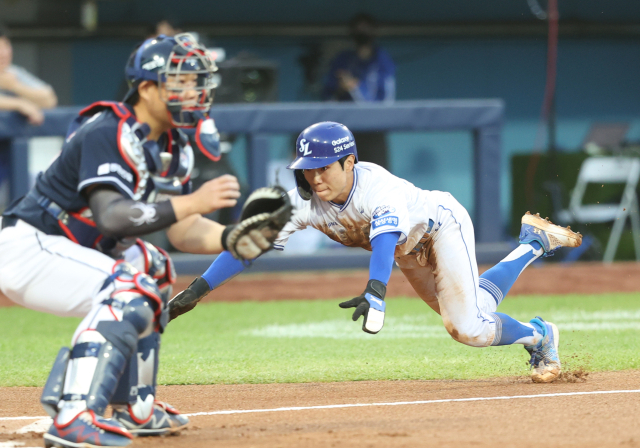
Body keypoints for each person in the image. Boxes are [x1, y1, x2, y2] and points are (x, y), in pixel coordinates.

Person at [0, 33, 287, 448]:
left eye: (195, 83)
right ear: (148, 88)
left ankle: (134, 406)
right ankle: (74, 415)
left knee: (153, 267)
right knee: (129, 290)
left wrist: (231, 236)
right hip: (32, 245)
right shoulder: (109, 129)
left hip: (74, 248)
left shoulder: (175, 144)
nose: (193, 92)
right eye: (181, 82)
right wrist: (194, 200)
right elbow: (112, 217)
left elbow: (181, 232)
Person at [168, 121, 584, 384]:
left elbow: (384, 240)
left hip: (440, 226)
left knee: (467, 329)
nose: (314, 177)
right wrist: (197, 289)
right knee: (473, 308)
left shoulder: (375, 187)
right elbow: (248, 248)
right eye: (307, 169)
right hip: (409, 251)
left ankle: (539, 336)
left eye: (324, 167)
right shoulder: (300, 202)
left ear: (349, 162)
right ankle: (534, 242)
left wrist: (375, 289)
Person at [321, 13, 395, 169]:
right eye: (358, 29)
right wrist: (341, 88)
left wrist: (355, 88)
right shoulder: (343, 59)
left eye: (366, 29)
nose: (361, 33)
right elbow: (327, 98)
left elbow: (386, 103)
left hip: (373, 130)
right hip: (344, 132)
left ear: (374, 32)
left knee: (377, 179)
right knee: (344, 180)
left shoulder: (382, 60)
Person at [0, 23, 58, 125]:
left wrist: (14, 86)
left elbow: (49, 100)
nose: (3, 53)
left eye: (5, 46)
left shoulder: (13, 72)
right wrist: (19, 104)